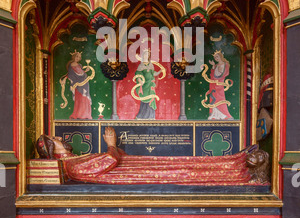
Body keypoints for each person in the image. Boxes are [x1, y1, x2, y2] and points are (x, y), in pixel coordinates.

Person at [58, 127, 269, 186]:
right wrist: (111, 145)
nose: (60, 138)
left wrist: (113, 149)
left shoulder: (74, 161)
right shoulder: (70, 166)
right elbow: (109, 162)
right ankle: (235, 170)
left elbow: (112, 159)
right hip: (132, 174)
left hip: (133, 166)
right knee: (184, 172)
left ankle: (234, 161)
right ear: (52, 150)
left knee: (185, 164)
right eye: (54, 140)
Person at [60, 51, 93, 120]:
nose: (78, 58)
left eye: (79, 57)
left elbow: (81, 73)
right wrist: (65, 79)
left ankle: (85, 114)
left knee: (85, 98)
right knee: (80, 98)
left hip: (84, 83)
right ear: (74, 56)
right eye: (77, 56)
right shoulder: (71, 65)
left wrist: (85, 71)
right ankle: (79, 114)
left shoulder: (80, 65)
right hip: (77, 85)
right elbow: (70, 74)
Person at [202, 50, 234, 120]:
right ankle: (214, 115)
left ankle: (224, 115)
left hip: (219, 85)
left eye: (217, 56)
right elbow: (213, 75)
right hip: (214, 84)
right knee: (213, 98)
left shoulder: (225, 64)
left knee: (219, 99)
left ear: (221, 56)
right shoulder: (216, 65)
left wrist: (219, 71)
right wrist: (213, 66)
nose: (216, 58)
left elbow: (224, 74)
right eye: (215, 57)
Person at [133, 49, 162, 120]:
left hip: (150, 85)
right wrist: (140, 80)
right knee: (145, 100)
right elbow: (138, 74)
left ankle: (151, 117)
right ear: (143, 56)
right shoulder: (141, 65)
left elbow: (153, 73)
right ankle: (141, 117)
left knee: (151, 99)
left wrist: (159, 72)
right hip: (144, 86)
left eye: (148, 55)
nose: (147, 56)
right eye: (145, 54)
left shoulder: (150, 65)